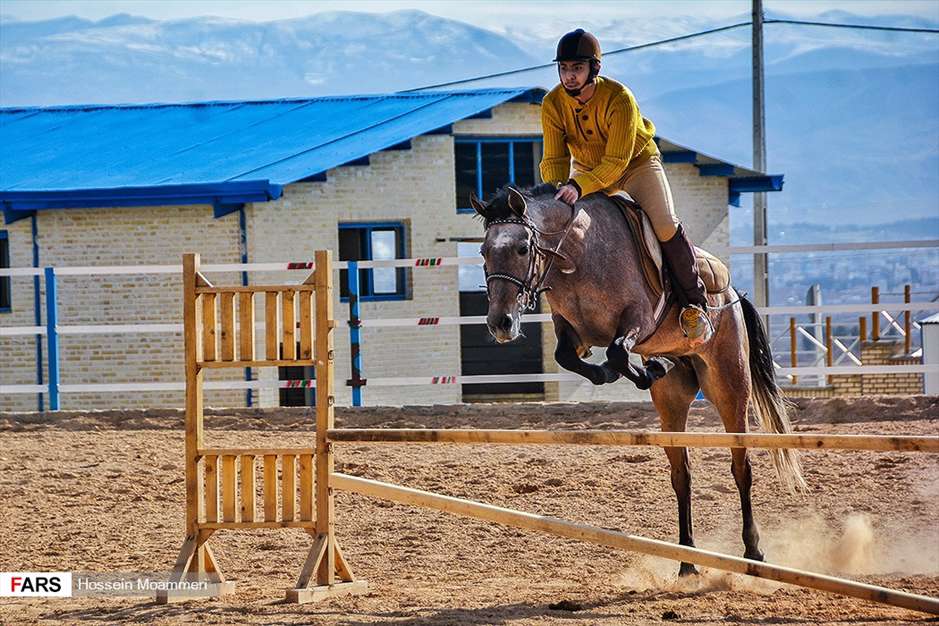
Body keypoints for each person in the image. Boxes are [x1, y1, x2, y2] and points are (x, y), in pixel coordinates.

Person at [540, 28, 713, 345]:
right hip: (587, 171)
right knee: (567, 228)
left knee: (664, 225)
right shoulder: (551, 103)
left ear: (594, 68)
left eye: (576, 68)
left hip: (635, 164)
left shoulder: (620, 98)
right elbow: (553, 157)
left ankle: (695, 305)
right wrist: (554, 192)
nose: (569, 76)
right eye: (563, 68)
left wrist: (578, 187)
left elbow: (617, 161)